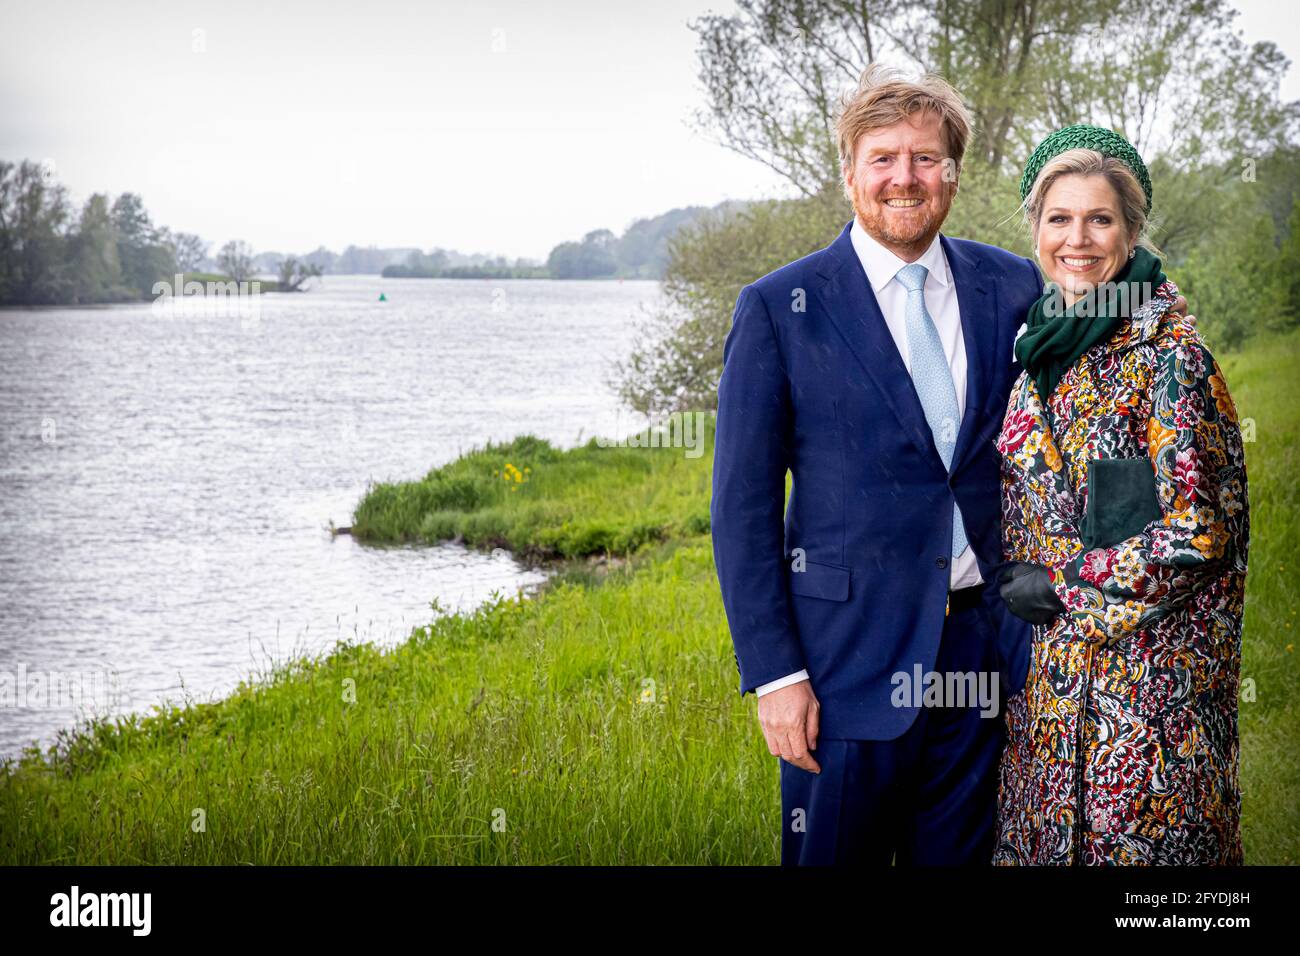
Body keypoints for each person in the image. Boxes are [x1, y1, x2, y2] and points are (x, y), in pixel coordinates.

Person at [710, 64, 1045, 865]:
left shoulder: (1011, 283)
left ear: (953, 173)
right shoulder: (779, 307)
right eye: (884, 158)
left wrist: (1153, 306)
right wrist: (776, 674)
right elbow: (742, 508)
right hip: (840, 668)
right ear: (851, 172)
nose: (905, 178)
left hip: (982, 659)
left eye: (926, 159)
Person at [992, 125, 1249, 865]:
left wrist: (1064, 586)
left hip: (1150, 716)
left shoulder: (1171, 356)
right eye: (1059, 219)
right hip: (1048, 708)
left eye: (1100, 219)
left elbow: (1200, 532)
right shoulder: (1038, 347)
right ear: (1036, 229)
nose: (1078, 239)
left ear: (1131, 231)